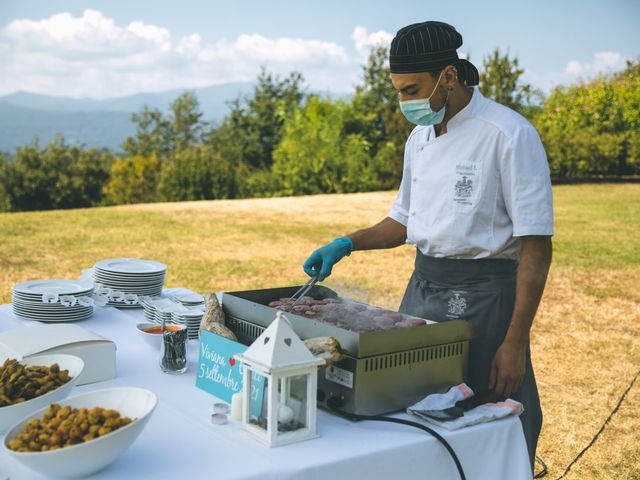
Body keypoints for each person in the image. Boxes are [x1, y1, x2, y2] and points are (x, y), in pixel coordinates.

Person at [303, 21, 553, 470]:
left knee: (482, 416)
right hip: (422, 293)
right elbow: (402, 221)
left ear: (449, 77)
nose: (404, 102)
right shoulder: (419, 138)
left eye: (411, 89)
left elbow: (535, 245)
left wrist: (516, 341)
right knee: (413, 417)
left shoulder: (508, 134)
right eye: (398, 91)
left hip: (486, 302)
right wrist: (346, 244)